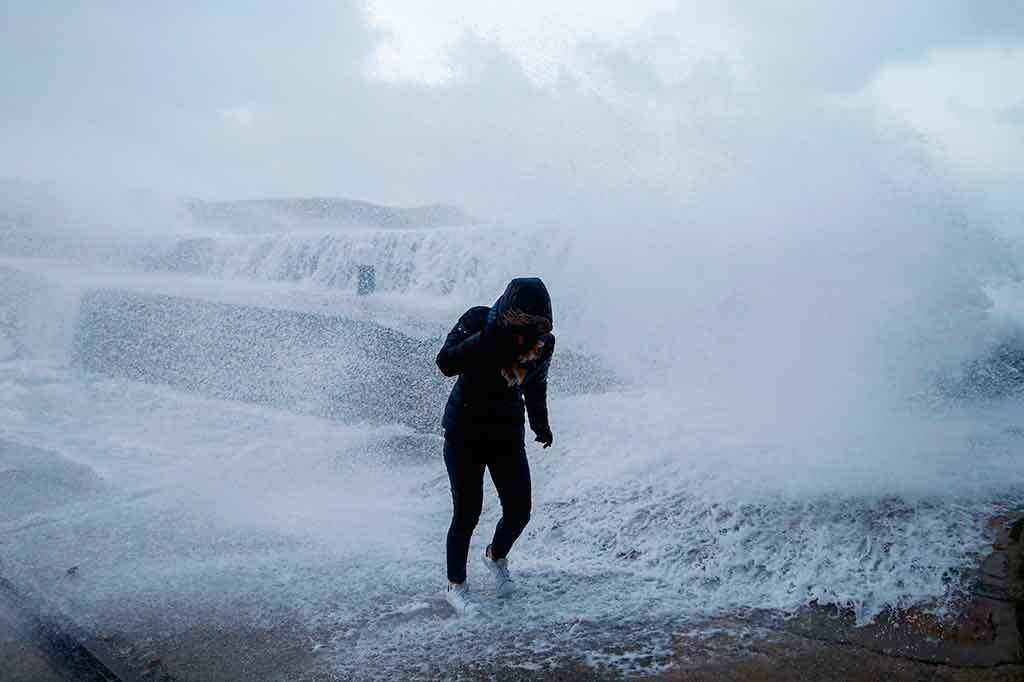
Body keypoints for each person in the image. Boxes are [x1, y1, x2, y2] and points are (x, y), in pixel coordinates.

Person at [435, 277, 555, 612]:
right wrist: (487, 339)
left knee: (519, 512)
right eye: (519, 324)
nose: (524, 334)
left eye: (534, 326)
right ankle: (456, 585)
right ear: (505, 313)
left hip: (506, 433)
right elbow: (445, 363)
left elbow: (536, 385)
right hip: (464, 432)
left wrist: (540, 424)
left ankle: (495, 556)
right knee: (467, 513)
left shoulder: (542, 344)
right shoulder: (477, 320)